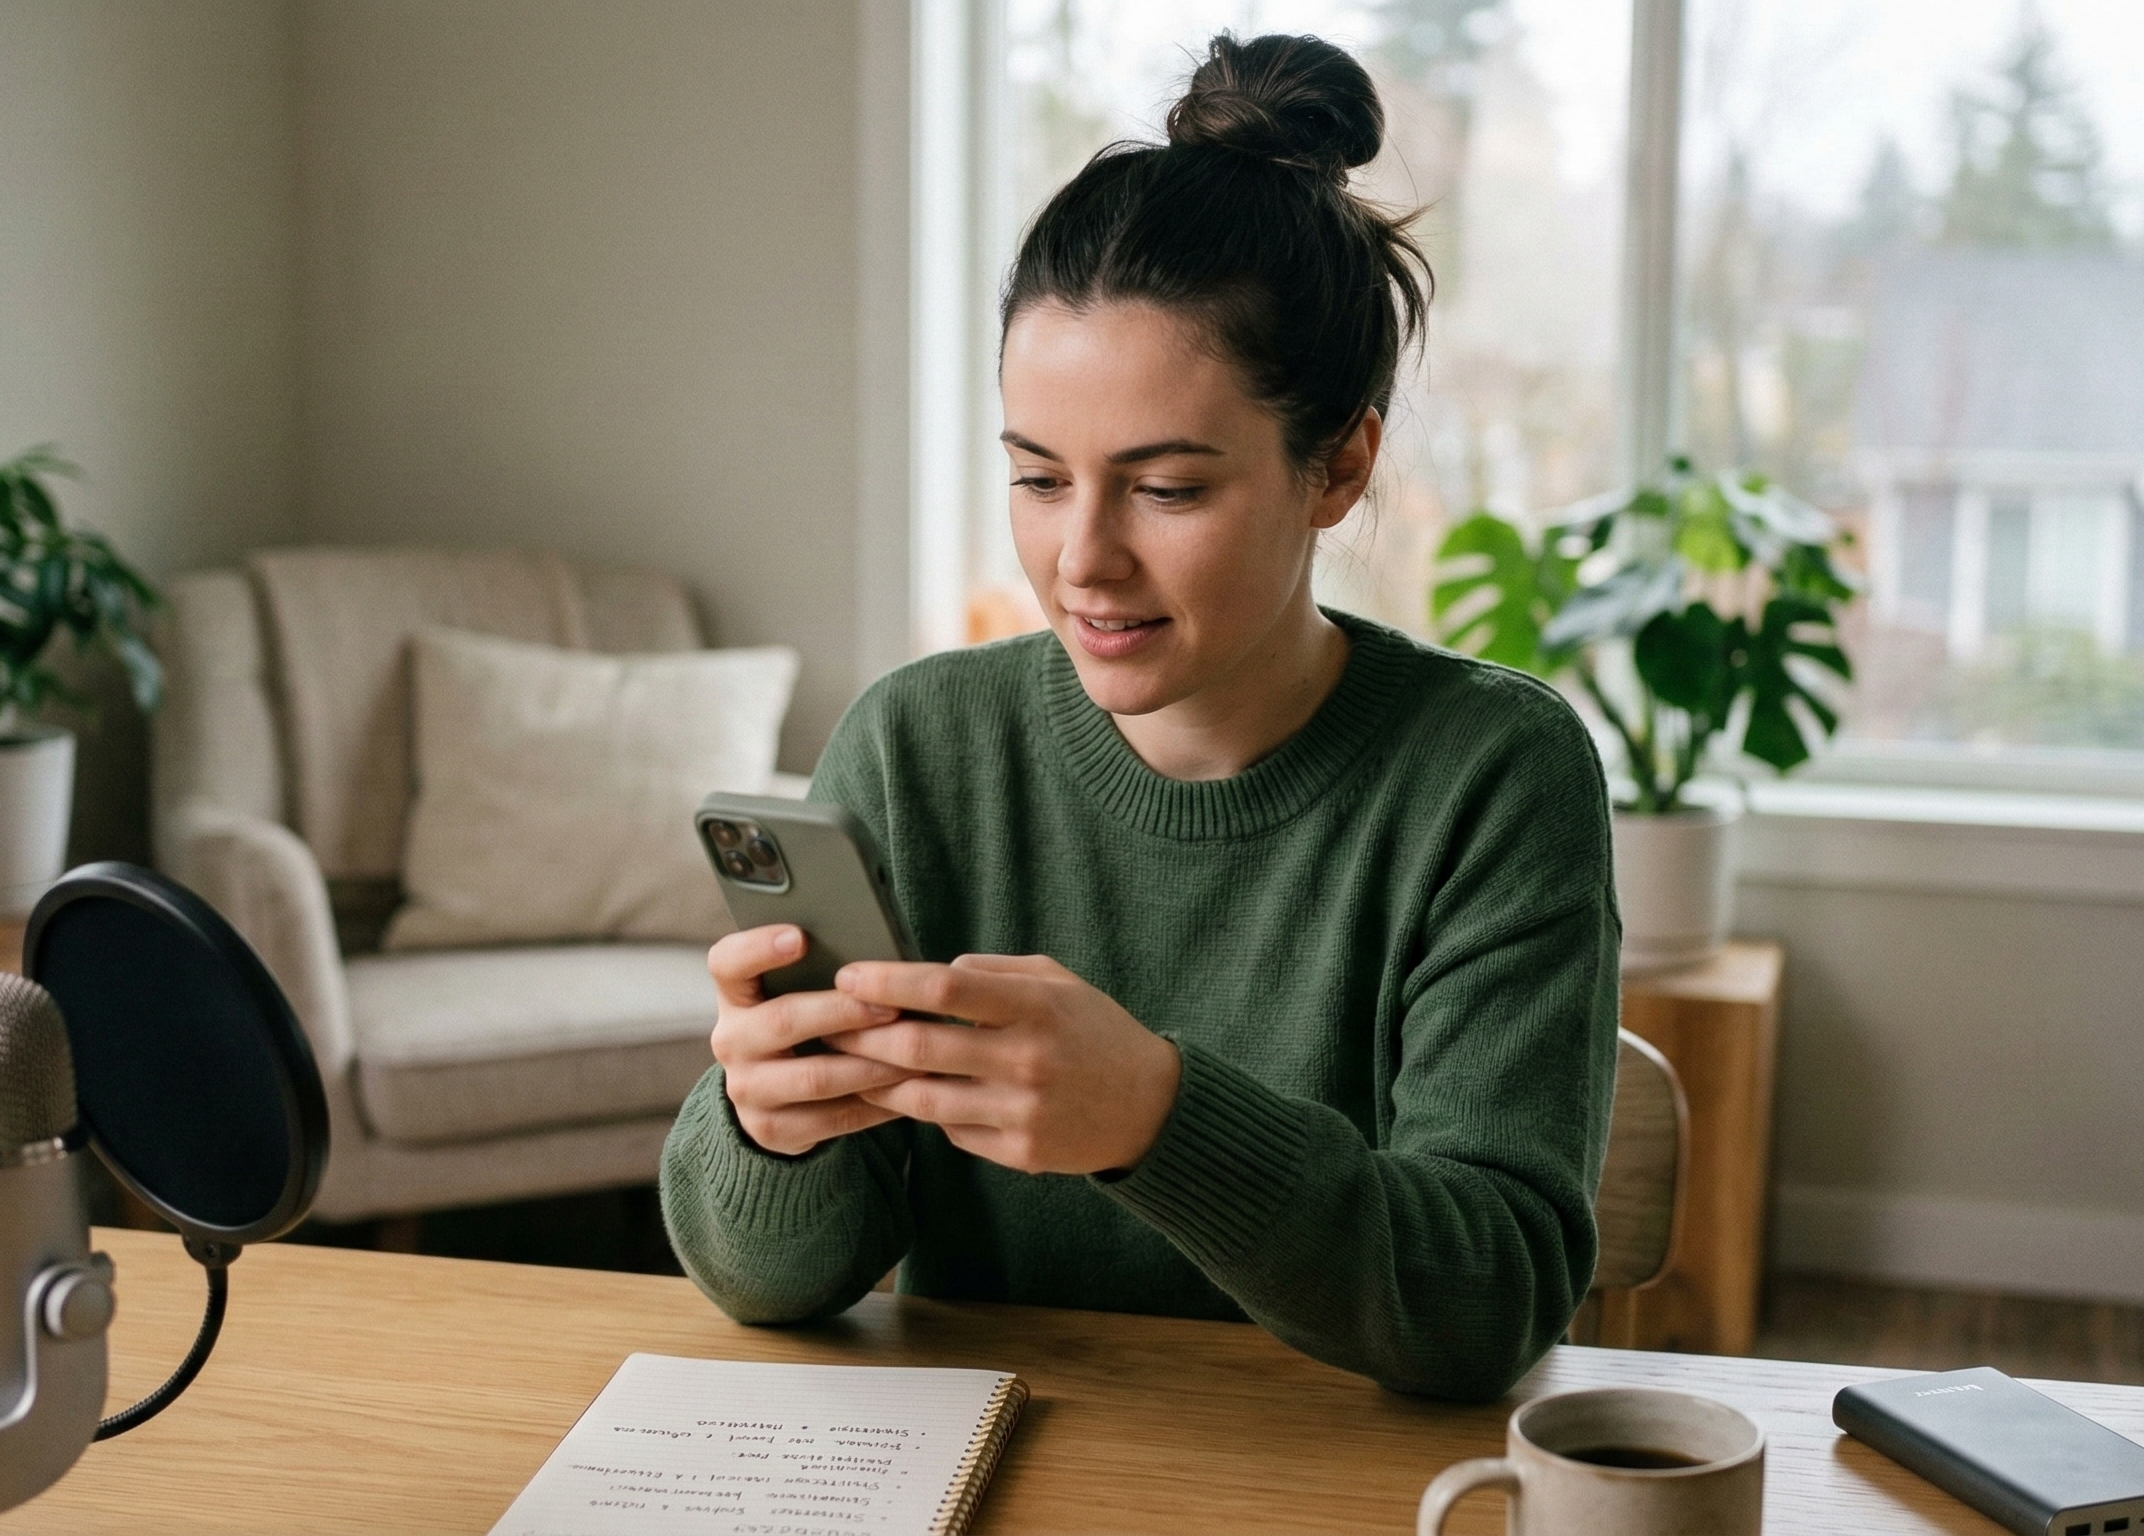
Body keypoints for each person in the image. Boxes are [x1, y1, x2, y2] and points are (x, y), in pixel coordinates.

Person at [659, 31, 1617, 1402]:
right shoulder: (920, 747)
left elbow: (1488, 1304)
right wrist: (769, 1130)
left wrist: (1155, 1119)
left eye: (1166, 488)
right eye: (1039, 479)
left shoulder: (1491, 774)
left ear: (1340, 462)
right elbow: (769, 1285)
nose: (1082, 559)